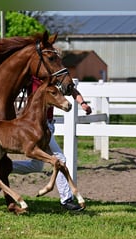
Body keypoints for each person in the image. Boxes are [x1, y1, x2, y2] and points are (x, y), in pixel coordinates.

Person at [12, 76, 92, 211]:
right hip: (36, 126)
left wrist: (82, 103)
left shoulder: (56, 78)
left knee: (36, 166)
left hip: (48, 125)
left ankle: (4, 167)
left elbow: (72, 90)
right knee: (60, 159)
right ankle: (66, 199)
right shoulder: (32, 78)